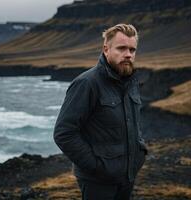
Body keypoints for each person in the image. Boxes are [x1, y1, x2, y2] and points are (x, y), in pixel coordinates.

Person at [54, 24, 148, 200]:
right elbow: (64, 133)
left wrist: (139, 153)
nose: (128, 54)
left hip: (127, 176)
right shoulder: (87, 83)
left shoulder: (130, 81)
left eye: (132, 49)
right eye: (121, 48)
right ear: (106, 49)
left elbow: (131, 122)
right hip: (98, 182)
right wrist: (98, 167)